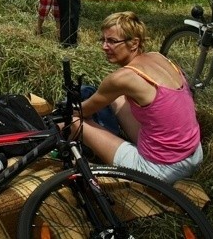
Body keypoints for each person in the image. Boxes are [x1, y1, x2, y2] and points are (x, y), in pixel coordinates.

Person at [73, 11, 202, 184]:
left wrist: (66, 112)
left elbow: (82, 111)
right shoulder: (159, 57)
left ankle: (71, 163)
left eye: (111, 41)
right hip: (193, 154)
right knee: (117, 99)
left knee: (71, 122)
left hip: (161, 169)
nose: (104, 46)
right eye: (102, 40)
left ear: (134, 43)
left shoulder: (123, 78)